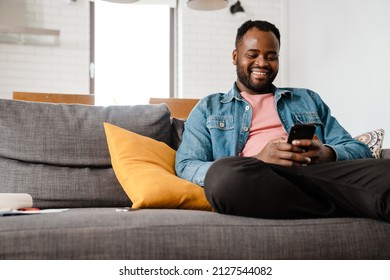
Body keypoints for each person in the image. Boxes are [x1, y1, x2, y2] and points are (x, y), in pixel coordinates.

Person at [175, 19, 390, 222]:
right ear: (235, 57)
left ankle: (333, 203)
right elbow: (186, 165)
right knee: (223, 179)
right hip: (257, 179)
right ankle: (344, 205)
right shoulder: (209, 107)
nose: (262, 63)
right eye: (252, 54)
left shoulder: (307, 99)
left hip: (316, 174)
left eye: (271, 56)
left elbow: (357, 149)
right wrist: (259, 160)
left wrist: (326, 153)